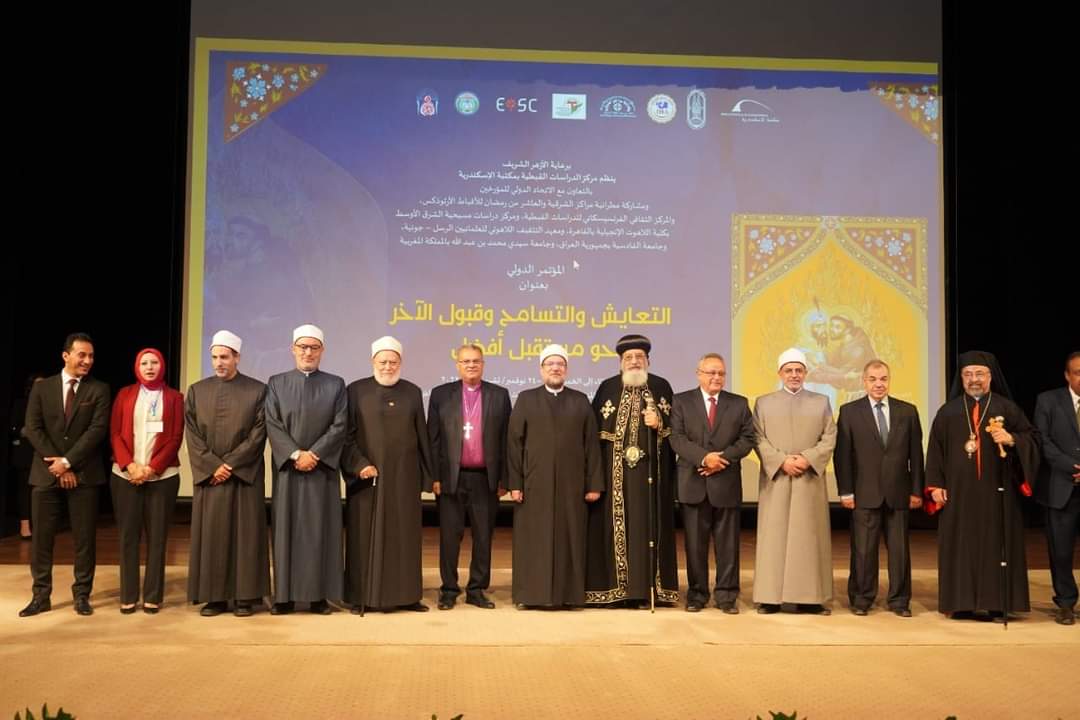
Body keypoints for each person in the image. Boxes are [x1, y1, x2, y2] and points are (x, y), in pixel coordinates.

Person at [925, 350, 1039, 620]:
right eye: (968, 374)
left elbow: (1032, 439)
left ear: (990, 377)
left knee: (995, 545)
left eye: (979, 374)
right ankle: (961, 602)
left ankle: (997, 603)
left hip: (997, 494)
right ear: (961, 378)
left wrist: (1012, 439)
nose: (973, 379)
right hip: (959, 494)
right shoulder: (948, 412)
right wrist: (935, 486)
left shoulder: (1006, 409)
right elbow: (935, 451)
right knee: (961, 546)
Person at [19, 333, 111, 617]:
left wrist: (69, 462)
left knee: (84, 540)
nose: (87, 360)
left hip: (84, 474)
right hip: (46, 473)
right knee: (42, 540)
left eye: (91, 356)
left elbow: (97, 431)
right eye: (82, 355)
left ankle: (82, 595)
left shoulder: (99, 389)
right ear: (66, 356)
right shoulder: (42, 388)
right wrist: (58, 464)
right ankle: (40, 595)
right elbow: (32, 427)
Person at [341, 336, 434, 613]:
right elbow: (346, 435)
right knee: (364, 538)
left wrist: (428, 476)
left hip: (404, 479)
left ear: (400, 363)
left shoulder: (413, 392)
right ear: (373, 362)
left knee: (404, 537)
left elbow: (422, 435)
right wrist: (359, 464)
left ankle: (408, 596)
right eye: (383, 361)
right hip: (367, 479)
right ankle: (362, 596)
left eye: (393, 362)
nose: (388, 367)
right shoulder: (355, 391)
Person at [586, 334, 679, 608]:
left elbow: (677, 430)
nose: (634, 361)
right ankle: (617, 591)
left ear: (648, 360)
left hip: (652, 477)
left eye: (639, 357)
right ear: (620, 362)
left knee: (648, 528)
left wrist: (659, 423)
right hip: (614, 478)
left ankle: (648, 590)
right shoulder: (607, 388)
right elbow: (593, 435)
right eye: (629, 357)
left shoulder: (661, 386)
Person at [508, 344, 603, 608]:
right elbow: (514, 444)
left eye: (560, 364)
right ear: (541, 370)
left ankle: (569, 596)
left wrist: (594, 484)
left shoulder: (580, 400)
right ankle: (530, 596)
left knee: (570, 539)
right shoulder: (526, 399)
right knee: (534, 540)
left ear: (566, 370)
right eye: (550, 364)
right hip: (534, 485)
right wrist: (515, 483)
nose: (555, 368)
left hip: (572, 486)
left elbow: (591, 445)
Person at [185, 330, 270, 617]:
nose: (218, 363)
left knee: (246, 536)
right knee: (213, 536)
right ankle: (215, 598)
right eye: (214, 357)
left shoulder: (257, 390)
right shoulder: (197, 391)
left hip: (244, 477)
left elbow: (259, 433)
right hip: (211, 478)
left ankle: (245, 597)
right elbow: (192, 435)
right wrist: (212, 466)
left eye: (224, 357)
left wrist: (230, 465)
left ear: (237, 358)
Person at [265, 324, 347, 615]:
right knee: (286, 532)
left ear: (322, 350)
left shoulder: (336, 385)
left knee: (319, 533)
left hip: (321, 472)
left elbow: (340, 425)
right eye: (303, 347)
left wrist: (315, 454)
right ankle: (284, 597)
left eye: (314, 347)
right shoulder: (276, 383)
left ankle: (317, 598)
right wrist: (295, 454)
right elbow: (272, 422)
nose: (308, 352)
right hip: (289, 471)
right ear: (293, 349)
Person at [834, 360, 924, 617]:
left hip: (899, 493)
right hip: (864, 493)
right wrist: (846, 491)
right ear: (864, 381)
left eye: (883, 378)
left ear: (889, 380)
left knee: (899, 552)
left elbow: (916, 455)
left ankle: (900, 600)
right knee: (863, 551)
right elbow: (843, 456)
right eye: (873, 379)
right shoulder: (849, 412)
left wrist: (916, 490)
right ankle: (861, 599)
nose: (878, 384)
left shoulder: (907, 411)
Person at [752, 347, 837, 615]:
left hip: (808, 479)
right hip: (777, 479)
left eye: (799, 370)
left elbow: (829, 437)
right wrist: (781, 461)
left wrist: (808, 458)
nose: (794, 375)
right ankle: (770, 598)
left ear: (805, 373)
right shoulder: (763, 403)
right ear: (780, 373)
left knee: (809, 539)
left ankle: (811, 599)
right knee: (773, 538)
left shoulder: (821, 402)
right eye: (788, 370)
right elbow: (757, 438)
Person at [669, 353, 756, 613]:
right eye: (711, 372)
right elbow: (676, 438)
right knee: (695, 546)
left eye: (721, 373)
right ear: (699, 374)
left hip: (726, 483)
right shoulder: (681, 401)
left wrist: (722, 459)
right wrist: (704, 458)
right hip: (693, 484)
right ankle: (697, 594)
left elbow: (748, 439)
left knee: (728, 546)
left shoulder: (738, 403)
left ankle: (727, 596)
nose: (716, 377)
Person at [427, 343, 511, 610]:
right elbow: (433, 440)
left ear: (483, 364)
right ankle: (449, 589)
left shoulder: (500, 395)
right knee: (449, 537)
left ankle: (477, 589)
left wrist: (505, 479)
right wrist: (434, 477)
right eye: (466, 361)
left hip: (485, 478)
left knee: (483, 536)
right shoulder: (441, 394)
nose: (471, 365)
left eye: (476, 361)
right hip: (451, 478)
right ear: (458, 365)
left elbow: (506, 440)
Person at [108, 348, 184, 614]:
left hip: (162, 478)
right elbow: (115, 434)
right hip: (125, 476)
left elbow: (175, 438)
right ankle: (128, 595)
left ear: (161, 366)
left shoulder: (175, 397)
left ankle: (153, 595)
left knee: (158, 539)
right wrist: (130, 466)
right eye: (144, 363)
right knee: (128, 537)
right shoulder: (124, 394)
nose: (149, 367)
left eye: (154, 363)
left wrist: (151, 469)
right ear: (137, 367)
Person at [1034, 351, 1080, 625]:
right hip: (1060, 487)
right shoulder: (1048, 400)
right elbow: (1042, 440)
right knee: (1061, 551)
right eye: (1078, 373)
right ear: (1067, 375)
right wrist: (1071, 466)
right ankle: (1065, 603)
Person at [9, 374, 45, 540]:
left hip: (43, 452)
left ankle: (40, 524)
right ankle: (25, 525)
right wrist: (24, 431)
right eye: (38, 384)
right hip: (25, 452)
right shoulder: (21, 403)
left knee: (42, 490)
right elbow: (14, 428)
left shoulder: (50, 405)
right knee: (24, 489)